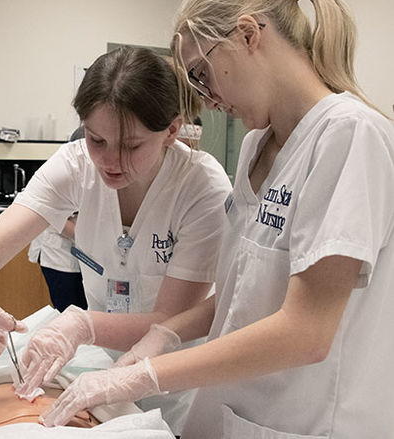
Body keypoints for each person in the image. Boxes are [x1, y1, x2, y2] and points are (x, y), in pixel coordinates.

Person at [38, 1, 394, 438]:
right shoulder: (255, 147)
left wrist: (146, 375)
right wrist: (164, 335)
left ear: (248, 35)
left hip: (308, 420)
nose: (205, 98)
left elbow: (308, 332)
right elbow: (240, 294)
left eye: (202, 74)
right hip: (233, 410)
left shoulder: (349, 135)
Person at [0, 46, 232, 433]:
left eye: (132, 146)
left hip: (176, 383)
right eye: (97, 140)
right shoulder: (76, 165)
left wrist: (81, 325)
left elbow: (168, 320)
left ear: (171, 130)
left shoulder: (200, 187)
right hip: (101, 372)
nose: (110, 161)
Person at [27, 215, 87, 312]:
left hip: (83, 253)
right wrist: (88, 238)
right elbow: (53, 215)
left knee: (83, 309)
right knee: (68, 311)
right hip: (58, 255)